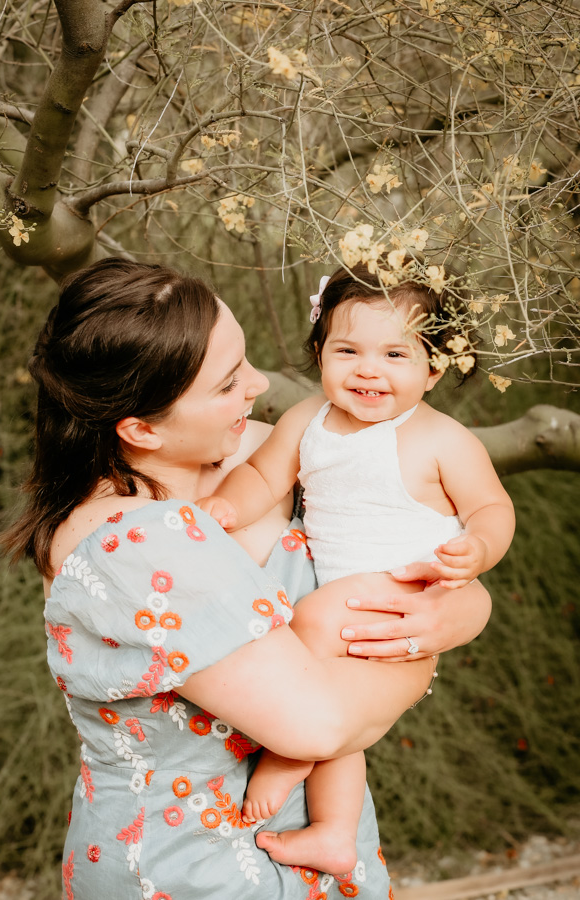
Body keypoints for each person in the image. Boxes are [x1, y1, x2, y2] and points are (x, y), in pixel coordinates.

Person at [2, 258, 492, 899]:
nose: (259, 383)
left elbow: (408, 540)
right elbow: (319, 724)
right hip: (194, 868)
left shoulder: (273, 451)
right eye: (229, 381)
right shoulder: (129, 540)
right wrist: (422, 648)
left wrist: (463, 605)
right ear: (141, 428)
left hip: (326, 841)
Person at [199, 259, 515, 874]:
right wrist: (226, 507)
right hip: (346, 602)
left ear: (435, 368)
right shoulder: (307, 421)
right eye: (347, 350)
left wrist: (478, 548)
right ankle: (334, 831)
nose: (368, 370)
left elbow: (491, 507)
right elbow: (263, 474)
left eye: (396, 355)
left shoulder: (444, 439)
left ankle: (292, 752)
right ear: (319, 353)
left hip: (403, 594)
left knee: (312, 625)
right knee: (338, 711)